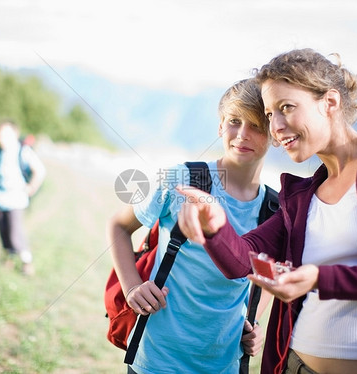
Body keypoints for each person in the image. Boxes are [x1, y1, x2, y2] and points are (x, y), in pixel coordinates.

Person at [177, 48, 357, 374]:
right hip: (294, 364)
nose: (275, 126)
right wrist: (215, 227)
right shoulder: (301, 196)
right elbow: (243, 260)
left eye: (286, 108)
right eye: (269, 114)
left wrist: (319, 278)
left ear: (330, 103)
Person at [107, 78, 278, 374]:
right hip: (158, 359)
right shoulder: (181, 179)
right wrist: (132, 286)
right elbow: (119, 226)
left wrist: (252, 320)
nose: (242, 134)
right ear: (220, 127)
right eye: (234, 122)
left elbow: (269, 275)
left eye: (256, 125)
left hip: (223, 363)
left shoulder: (275, 209)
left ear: (275, 133)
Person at [0, 121, 46, 276]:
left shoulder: (23, 151)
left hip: (16, 199)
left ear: (14, 134)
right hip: (1, 197)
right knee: (3, 230)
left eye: (4, 133)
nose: (0, 137)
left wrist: (31, 187)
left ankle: (27, 262)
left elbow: (40, 170)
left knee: (15, 233)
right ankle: (9, 258)